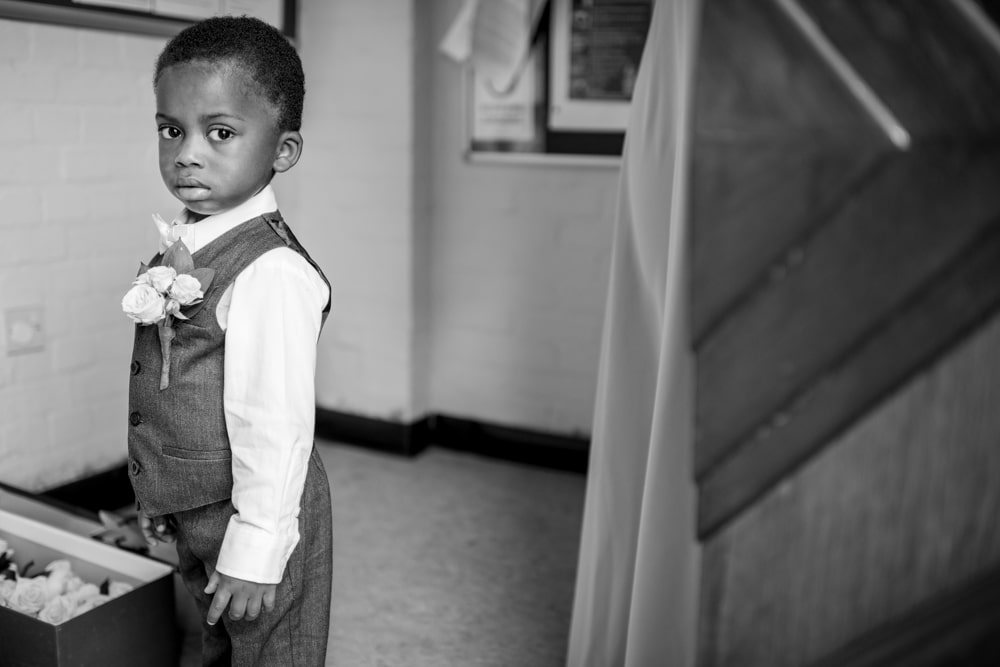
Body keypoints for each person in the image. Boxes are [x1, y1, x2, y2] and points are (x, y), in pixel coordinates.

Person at [122, 16, 332, 666]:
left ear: (282, 150)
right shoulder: (186, 238)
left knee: (271, 648)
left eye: (220, 132)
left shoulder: (271, 271)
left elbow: (273, 422)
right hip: (197, 505)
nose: (187, 152)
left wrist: (258, 550)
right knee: (211, 638)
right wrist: (159, 493)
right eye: (170, 129)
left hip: (256, 514)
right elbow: (173, 382)